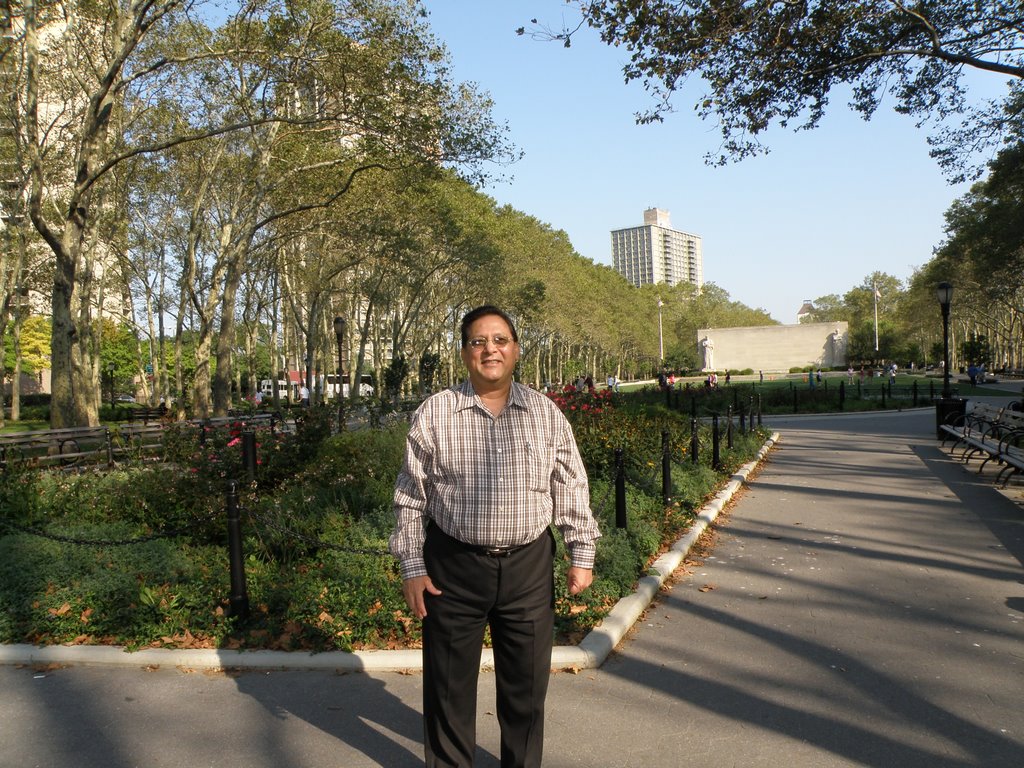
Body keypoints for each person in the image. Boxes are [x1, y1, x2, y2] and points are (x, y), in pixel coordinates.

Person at [390, 305, 601, 768]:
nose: (490, 349)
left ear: (516, 349)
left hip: (528, 567)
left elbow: (570, 485)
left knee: (525, 693)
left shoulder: (544, 413)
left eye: (500, 340)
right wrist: (412, 565)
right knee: (448, 692)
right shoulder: (435, 413)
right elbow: (410, 496)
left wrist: (580, 552)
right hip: (453, 568)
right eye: (478, 341)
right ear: (465, 352)